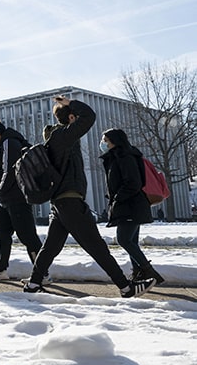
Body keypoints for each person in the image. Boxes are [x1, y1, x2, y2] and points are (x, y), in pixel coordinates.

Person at [23, 96, 155, 298]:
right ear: (72, 118)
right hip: (70, 202)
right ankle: (126, 288)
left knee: (50, 247)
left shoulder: (54, 140)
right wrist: (70, 104)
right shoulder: (63, 137)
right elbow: (90, 116)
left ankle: (33, 285)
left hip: (60, 204)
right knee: (97, 247)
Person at [0, 121, 44, 281]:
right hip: (8, 199)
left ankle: (42, 274)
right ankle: (1, 269)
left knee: (27, 236)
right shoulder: (8, 142)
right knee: (1, 231)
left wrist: (1, 189)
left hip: (16, 197)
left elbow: (10, 169)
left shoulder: (9, 142)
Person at [100, 128, 164, 285]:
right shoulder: (119, 156)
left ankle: (149, 272)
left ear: (114, 141)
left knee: (124, 240)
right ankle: (139, 273)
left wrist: (117, 198)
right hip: (130, 205)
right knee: (131, 241)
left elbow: (133, 183)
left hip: (130, 206)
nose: (103, 143)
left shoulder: (124, 156)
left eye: (105, 140)